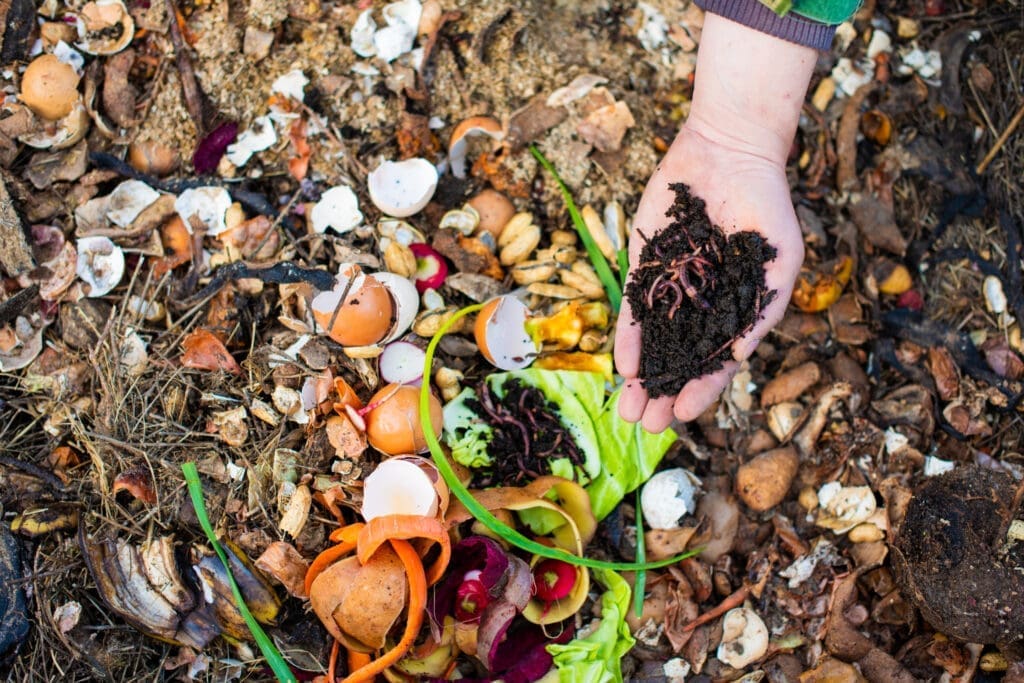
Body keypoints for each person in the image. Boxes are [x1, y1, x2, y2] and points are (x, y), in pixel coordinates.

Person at [614, 0, 860, 433]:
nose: (681, 281)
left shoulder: (691, 264)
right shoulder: (683, 267)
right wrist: (741, 133)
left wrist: (740, 136)